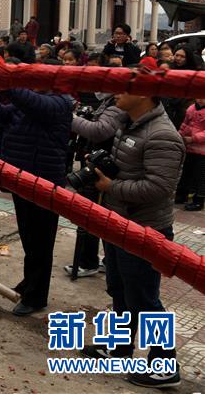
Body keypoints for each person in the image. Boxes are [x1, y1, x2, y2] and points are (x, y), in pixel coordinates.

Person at [82, 88, 185, 388]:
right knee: (119, 290)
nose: (116, 93)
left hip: (145, 230)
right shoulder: (128, 122)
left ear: (145, 94)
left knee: (144, 299)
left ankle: (166, 365)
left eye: (125, 87)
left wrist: (110, 186)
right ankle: (119, 349)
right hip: (118, 222)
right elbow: (129, 171)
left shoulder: (162, 135)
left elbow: (159, 188)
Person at [0, 70, 73, 317]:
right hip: (21, 181)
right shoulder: (27, 101)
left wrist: (7, 84)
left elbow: (34, 105)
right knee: (29, 238)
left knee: (41, 243)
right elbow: (3, 115)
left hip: (45, 185)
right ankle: (29, 283)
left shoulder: (59, 103)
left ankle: (36, 296)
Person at [66, 93, 128, 277]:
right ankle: (103, 260)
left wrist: (72, 119)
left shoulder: (118, 107)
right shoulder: (111, 103)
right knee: (98, 216)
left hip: (106, 176)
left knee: (92, 216)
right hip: (102, 167)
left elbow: (99, 131)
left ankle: (88, 261)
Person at [177, 97, 205, 211]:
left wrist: (193, 138)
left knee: (200, 177)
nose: (200, 100)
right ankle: (182, 194)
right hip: (189, 148)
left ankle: (198, 201)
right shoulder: (191, 108)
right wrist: (179, 134)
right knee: (186, 173)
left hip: (202, 151)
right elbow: (185, 124)